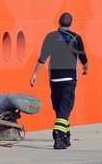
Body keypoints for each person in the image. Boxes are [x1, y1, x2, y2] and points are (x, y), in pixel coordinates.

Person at [30, 12, 88, 150]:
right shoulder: (76, 37)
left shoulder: (50, 37)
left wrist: (34, 74)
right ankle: (58, 135)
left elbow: (42, 58)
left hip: (54, 78)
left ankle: (66, 136)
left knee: (59, 108)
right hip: (69, 79)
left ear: (59, 23)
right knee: (65, 108)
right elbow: (83, 58)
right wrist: (86, 69)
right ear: (71, 23)